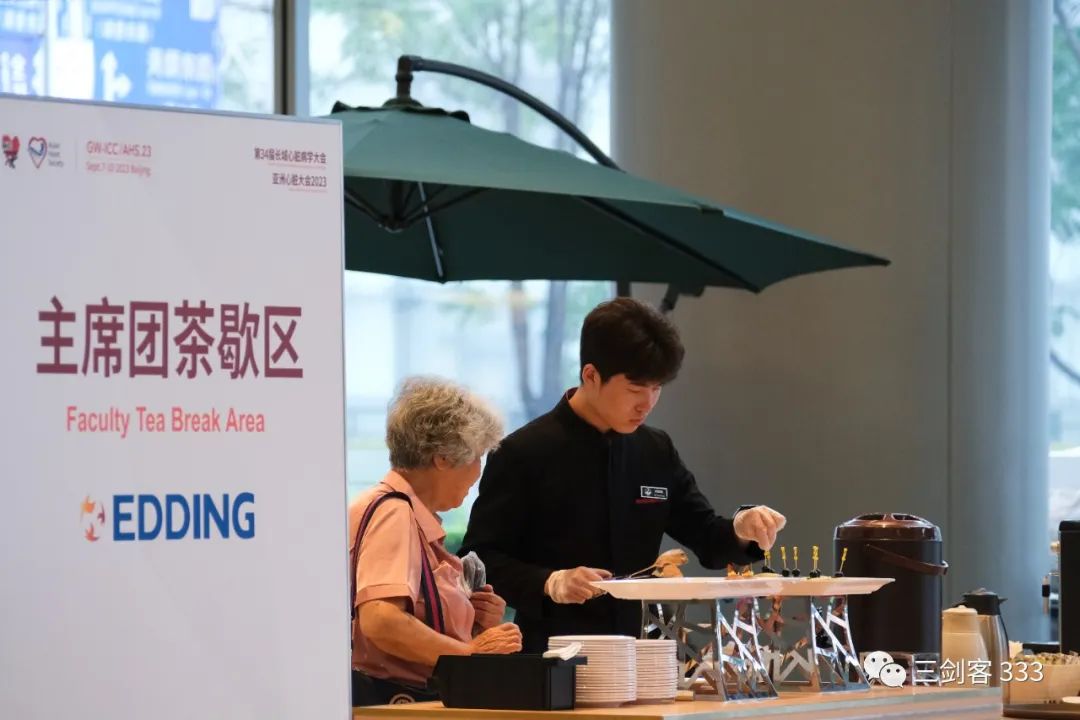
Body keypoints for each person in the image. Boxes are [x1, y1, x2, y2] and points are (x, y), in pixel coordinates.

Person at [461, 298, 786, 653]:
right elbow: (480, 559)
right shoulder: (523, 452)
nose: (647, 403)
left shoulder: (655, 449)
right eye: (635, 389)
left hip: (645, 649)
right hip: (554, 652)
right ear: (591, 375)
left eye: (656, 388)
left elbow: (706, 536)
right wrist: (550, 582)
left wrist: (742, 528)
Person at [350, 377, 522, 706]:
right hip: (398, 702)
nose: (478, 472)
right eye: (477, 456)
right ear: (442, 458)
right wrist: (467, 653)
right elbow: (381, 620)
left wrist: (472, 618)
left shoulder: (394, 510)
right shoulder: (395, 514)